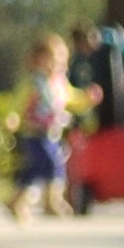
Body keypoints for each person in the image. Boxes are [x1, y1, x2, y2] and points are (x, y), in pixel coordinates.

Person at [10, 31, 76, 219]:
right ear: (39, 60)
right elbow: (20, 101)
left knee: (50, 166)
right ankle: (31, 200)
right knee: (47, 163)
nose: (59, 65)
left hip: (52, 133)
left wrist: (88, 98)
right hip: (34, 133)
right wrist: (13, 117)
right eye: (54, 60)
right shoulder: (35, 83)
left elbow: (72, 98)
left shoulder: (59, 84)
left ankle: (47, 200)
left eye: (62, 61)